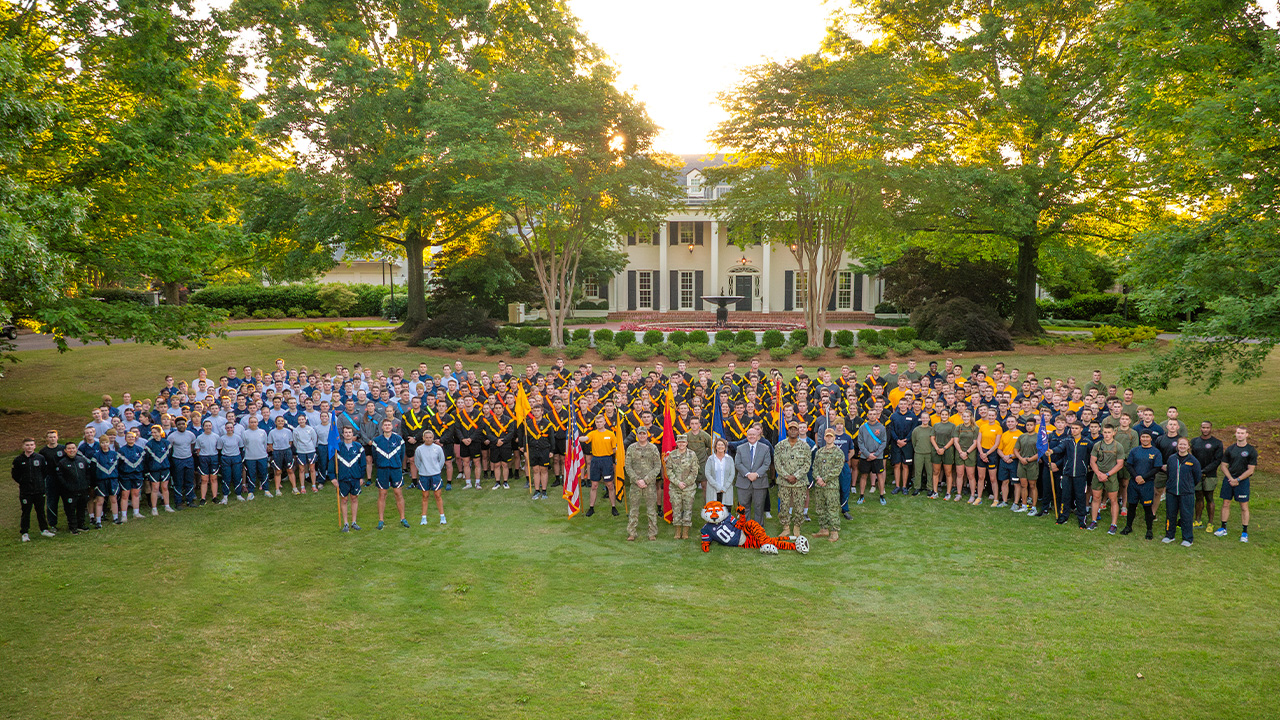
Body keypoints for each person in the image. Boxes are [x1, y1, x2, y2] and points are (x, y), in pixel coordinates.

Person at [1215, 426, 1257, 542]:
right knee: (1226, 503)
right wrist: (1230, 478)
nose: (1240, 435)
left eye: (1242, 433)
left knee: (1244, 506)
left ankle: (1244, 532)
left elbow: (1251, 470)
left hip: (1242, 481)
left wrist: (1238, 480)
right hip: (1229, 480)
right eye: (1238, 433)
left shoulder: (1251, 450)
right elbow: (1223, 465)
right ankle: (1223, 528)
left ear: (1246, 435)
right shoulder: (1230, 449)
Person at [773, 422, 812, 537]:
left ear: (799, 431)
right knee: (784, 506)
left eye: (796, 429)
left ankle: (797, 527)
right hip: (784, 482)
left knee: (799, 505)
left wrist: (796, 476)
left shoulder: (805, 446)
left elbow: (807, 463)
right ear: (788, 431)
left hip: (799, 482)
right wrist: (787, 476)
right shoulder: (780, 445)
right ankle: (786, 527)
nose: (793, 431)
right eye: (791, 429)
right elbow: (777, 463)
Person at [1048, 423, 1091, 528]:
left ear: (1081, 429)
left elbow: (1092, 455)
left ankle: (1082, 519)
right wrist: (1052, 451)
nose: (1074, 430)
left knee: (1080, 497)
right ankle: (1063, 516)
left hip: (1080, 474)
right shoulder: (1067, 441)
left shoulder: (1087, 442)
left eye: (1076, 428)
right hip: (1067, 473)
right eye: (1072, 428)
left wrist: (1087, 466)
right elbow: (1060, 448)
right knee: (1065, 496)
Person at [623, 427, 661, 541]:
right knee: (634, 510)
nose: (642, 436)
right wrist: (637, 480)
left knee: (651, 510)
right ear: (637, 435)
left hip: (649, 484)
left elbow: (657, 466)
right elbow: (628, 466)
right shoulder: (631, 448)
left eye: (644, 434)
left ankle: (652, 533)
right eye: (640, 434)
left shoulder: (653, 448)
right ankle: (632, 533)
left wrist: (646, 480)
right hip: (635, 484)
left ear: (647, 435)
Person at [1122, 432, 1163, 539]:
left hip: (1147, 484)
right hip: (1134, 483)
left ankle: (1149, 530)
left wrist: (1143, 478)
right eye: (1143, 437)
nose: (1145, 439)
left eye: (1147, 437)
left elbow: (1157, 467)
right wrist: (1136, 477)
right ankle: (1128, 526)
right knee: (1131, 506)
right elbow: (1129, 465)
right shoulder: (1134, 451)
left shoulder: (1155, 452)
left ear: (1151, 439)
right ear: (1140, 438)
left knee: (1147, 507)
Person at [12, 438, 54, 541]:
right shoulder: (18, 460)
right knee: (26, 512)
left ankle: (44, 530)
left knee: (40, 511)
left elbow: (44, 472)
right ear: (23, 447)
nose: (29, 447)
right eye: (27, 445)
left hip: (39, 490)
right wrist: (23, 482)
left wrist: (38, 482)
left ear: (34, 446)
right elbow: (15, 475)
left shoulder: (40, 458)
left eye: (31, 445)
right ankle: (25, 533)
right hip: (26, 491)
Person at [1163, 437, 1201, 546]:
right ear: (1177, 446)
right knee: (1171, 514)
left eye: (1185, 445)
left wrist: (1188, 485)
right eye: (1180, 444)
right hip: (1172, 492)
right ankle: (1169, 535)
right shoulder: (1171, 459)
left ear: (1188, 446)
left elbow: (1197, 476)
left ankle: (1188, 538)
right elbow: (1169, 473)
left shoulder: (1193, 461)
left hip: (1186, 493)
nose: (1182, 447)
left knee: (1186, 515)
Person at [580, 414, 619, 517]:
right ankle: (591, 507)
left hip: (607, 460)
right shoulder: (593, 433)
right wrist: (575, 437)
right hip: (595, 460)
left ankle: (613, 507)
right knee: (594, 485)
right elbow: (585, 439)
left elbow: (615, 449)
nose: (599, 424)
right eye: (597, 422)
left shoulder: (611, 434)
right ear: (595, 423)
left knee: (610, 485)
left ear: (604, 422)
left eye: (601, 422)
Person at [373, 418, 409, 529]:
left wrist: (396, 464)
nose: (387, 426)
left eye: (389, 425)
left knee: (398, 493)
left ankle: (402, 518)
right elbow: (375, 457)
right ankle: (381, 520)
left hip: (395, 469)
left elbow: (402, 455)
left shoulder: (399, 440)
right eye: (385, 425)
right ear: (382, 427)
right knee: (382, 494)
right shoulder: (377, 441)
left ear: (392, 426)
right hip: (382, 470)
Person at [811, 428, 845, 542]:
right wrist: (818, 478)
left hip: (831, 485)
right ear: (824, 437)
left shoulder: (838, 452)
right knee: (820, 507)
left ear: (834, 438)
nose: (829, 438)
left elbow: (837, 469)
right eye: (827, 436)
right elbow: (814, 467)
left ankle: (834, 531)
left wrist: (824, 479)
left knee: (832, 507)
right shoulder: (820, 452)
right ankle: (823, 529)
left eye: (831, 436)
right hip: (820, 485)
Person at [664, 433, 700, 540]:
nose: (681, 444)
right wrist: (677, 482)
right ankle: (677, 531)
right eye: (679, 442)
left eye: (683, 442)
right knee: (676, 509)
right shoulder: (672, 455)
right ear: (676, 443)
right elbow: (669, 470)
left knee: (688, 509)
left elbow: (695, 470)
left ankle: (685, 531)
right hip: (675, 487)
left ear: (687, 443)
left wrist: (686, 483)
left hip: (688, 488)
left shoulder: (692, 454)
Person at [1089, 425, 1124, 534]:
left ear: (1113, 433)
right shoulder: (1097, 445)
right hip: (1098, 475)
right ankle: (1093, 521)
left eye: (1109, 432)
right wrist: (1099, 474)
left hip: (1111, 476)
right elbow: (1092, 461)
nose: (1107, 435)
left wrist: (1107, 474)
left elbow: (1120, 464)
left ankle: (1113, 524)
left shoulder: (1118, 446)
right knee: (1096, 498)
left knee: (1113, 500)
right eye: (1105, 432)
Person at [734, 425, 771, 524]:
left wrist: (757, 474)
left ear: (758, 435)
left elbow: (766, 464)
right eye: (749, 434)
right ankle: (745, 528)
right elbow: (738, 463)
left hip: (760, 482)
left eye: (753, 434)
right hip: (743, 482)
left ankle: (758, 529)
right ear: (746, 436)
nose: (751, 436)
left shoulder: (765, 448)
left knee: (759, 507)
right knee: (743, 507)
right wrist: (747, 474)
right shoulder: (740, 448)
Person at [1190, 421, 1223, 532]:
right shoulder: (1194, 441)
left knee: (1209, 497)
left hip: (1210, 475)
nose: (1205, 429)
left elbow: (1217, 460)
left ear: (1211, 428)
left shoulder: (1217, 443)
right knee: (1198, 497)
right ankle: (1197, 520)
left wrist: (1205, 470)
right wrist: (1197, 471)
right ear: (1200, 428)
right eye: (1203, 427)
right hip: (1196, 474)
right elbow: (1191, 457)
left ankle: (1210, 522)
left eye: (1207, 427)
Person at [411, 430, 447, 526]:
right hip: (424, 475)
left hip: (435, 475)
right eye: (426, 437)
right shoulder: (419, 449)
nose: (428, 439)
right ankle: (423, 518)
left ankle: (442, 516)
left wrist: (435, 470)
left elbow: (441, 460)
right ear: (423, 438)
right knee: (425, 496)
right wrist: (423, 470)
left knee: (438, 495)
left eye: (430, 437)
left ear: (433, 438)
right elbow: (417, 462)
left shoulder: (438, 448)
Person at [55, 442, 92, 534]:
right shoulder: (62, 463)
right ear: (65, 450)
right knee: (70, 509)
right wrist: (68, 486)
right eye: (69, 449)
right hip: (69, 491)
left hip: (82, 489)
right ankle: (73, 527)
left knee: (81, 507)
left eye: (73, 448)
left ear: (76, 449)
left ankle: (81, 525)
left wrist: (86, 484)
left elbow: (88, 473)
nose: (71, 450)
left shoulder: (82, 460)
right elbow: (60, 477)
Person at [855, 404, 887, 506]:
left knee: (880, 476)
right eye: (870, 414)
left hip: (878, 457)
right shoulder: (863, 428)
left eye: (874, 414)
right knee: (863, 475)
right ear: (867, 415)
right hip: (865, 456)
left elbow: (884, 442)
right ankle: (861, 495)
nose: (872, 416)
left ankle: (882, 496)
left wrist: (876, 454)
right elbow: (860, 443)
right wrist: (868, 454)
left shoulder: (881, 427)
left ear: (877, 415)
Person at [334, 426, 364, 531]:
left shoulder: (358, 447)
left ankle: (354, 522)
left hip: (355, 477)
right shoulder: (337, 447)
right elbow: (332, 463)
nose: (348, 434)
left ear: (352, 434)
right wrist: (333, 477)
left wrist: (361, 477)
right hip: (343, 478)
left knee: (354, 498)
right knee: (344, 499)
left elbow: (363, 463)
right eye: (345, 432)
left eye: (349, 432)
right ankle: (345, 523)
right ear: (342, 434)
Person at [1013, 416, 1041, 514]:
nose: (1029, 427)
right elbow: (1016, 449)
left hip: (1032, 464)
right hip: (1022, 463)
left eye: (1031, 425)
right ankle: (1024, 505)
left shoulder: (1038, 437)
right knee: (1023, 485)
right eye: (1027, 425)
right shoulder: (1022, 436)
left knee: (1032, 485)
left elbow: (1040, 451)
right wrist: (1021, 458)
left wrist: (1029, 459)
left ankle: (1033, 506)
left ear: (1035, 426)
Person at [167, 417, 197, 508]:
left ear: (186, 425)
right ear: (176, 425)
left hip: (188, 459)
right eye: (179, 424)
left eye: (183, 424)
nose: (181, 426)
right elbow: (169, 449)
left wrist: (189, 454)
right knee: (178, 481)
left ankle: (190, 500)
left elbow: (192, 445)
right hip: (177, 460)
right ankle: (178, 502)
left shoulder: (191, 435)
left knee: (189, 480)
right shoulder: (172, 436)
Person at [144, 424, 175, 513]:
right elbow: (147, 459)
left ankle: (167, 506)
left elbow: (169, 456)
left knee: (165, 487)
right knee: (155, 488)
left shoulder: (166, 443)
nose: (154, 434)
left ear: (160, 432)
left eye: (156, 432)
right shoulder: (149, 444)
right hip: (154, 469)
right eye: (152, 433)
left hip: (165, 468)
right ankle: (154, 508)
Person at [117, 430, 146, 520]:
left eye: (132, 437)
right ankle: (124, 515)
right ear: (125, 439)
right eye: (129, 437)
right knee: (125, 495)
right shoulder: (122, 450)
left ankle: (136, 512)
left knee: (136, 493)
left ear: (135, 438)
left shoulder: (140, 450)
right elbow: (119, 464)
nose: (131, 438)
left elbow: (144, 463)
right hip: (125, 475)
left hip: (137, 475)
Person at [241, 416, 269, 499]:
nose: (253, 424)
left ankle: (266, 489)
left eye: (255, 422)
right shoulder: (245, 433)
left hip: (262, 456)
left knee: (263, 472)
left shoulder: (262, 432)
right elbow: (245, 445)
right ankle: (251, 491)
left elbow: (265, 444)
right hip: (250, 457)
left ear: (257, 423)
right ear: (249, 423)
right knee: (251, 474)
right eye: (251, 422)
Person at [267, 416, 296, 496]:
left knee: (290, 470)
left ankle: (294, 488)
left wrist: (286, 448)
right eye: (279, 421)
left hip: (287, 451)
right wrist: (275, 450)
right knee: (278, 471)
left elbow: (290, 442)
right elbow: (270, 444)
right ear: (275, 422)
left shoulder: (288, 431)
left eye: (282, 421)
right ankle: (277, 490)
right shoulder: (272, 432)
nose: (280, 422)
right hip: (277, 452)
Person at [194, 419, 221, 505]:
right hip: (203, 458)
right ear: (203, 427)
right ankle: (203, 498)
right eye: (206, 426)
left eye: (209, 425)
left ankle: (214, 497)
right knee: (204, 479)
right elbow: (198, 449)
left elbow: (218, 448)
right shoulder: (200, 437)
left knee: (214, 478)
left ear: (211, 426)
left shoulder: (216, 436)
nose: (208, 427)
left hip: (214, 457)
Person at [216, 422, 243, 504]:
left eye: (231, 427)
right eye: (228, 428)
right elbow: (219, 448)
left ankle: (238, 494)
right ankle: (225, 496)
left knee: (237, 476)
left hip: (236, 458)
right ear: (225, 429)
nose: (230, 429)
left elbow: (241, 447)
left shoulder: (237, 437)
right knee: (226, 477)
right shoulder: (222, 439)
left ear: (233, 428)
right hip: (226, 458)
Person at [293, 414, 319, 493]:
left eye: (302, 419)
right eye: (299, 420)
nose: (301, 421)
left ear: (305, 420)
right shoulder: (296, 430)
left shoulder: (310, 429)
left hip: (310, 451)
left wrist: (311, 447)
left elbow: (314, 439)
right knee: (301, 469)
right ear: (298, 421)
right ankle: (302, 487)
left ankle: (313, 485)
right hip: (301, 451)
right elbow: (295, 441)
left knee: (312, 468)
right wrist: (300, 448)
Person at [703, 437, 734, 507]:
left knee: (726, 513)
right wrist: (717, 486)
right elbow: (707, 474)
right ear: (715, 447)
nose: (720, 447)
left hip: (726, 490)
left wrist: (725, 487)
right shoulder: (710, 459)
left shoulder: (729, 459)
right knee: (714, 513)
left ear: (725, 447)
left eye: (722, 445)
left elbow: (732, 474)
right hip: (713, 490)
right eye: (718, 445)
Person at [910, 413, 934, 497]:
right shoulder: (916, 430)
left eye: (926, 418)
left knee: (929, 471)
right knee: (918, 471)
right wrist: (917, 449)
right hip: (919, 453)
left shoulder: (932, 429)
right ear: (921, 419)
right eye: (923, 418)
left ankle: (930, 487)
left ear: (929, 419)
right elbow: (914, 441)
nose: (925, 419)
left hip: (929, 453)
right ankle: (917, 487)